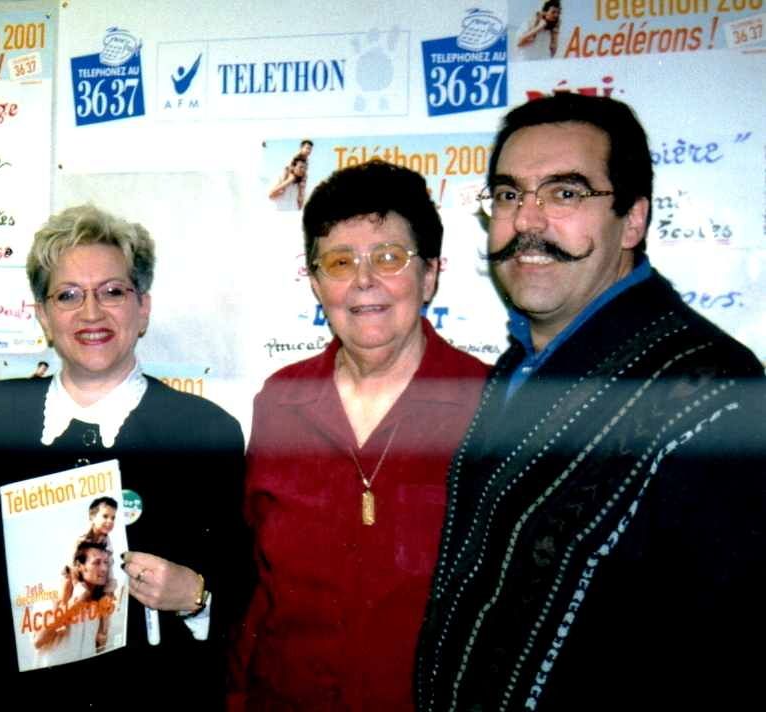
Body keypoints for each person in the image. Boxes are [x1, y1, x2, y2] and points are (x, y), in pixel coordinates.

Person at [413, 94, 766, 711]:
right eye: (509, 194)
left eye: (565, 193)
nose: (527, 220)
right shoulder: (517, 371)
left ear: (633, 220)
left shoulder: (715, 392)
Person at [0, 204, 249, 708]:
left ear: (143, 309)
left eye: (113, 292)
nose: (91, 313)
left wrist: (196, 597)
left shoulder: (206, 433)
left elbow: (246, 598)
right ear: (43, 316)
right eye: (68, 295)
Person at [233, 162, 489, 709]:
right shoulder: (280, 402)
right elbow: (253, 584)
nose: (364, 280)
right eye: (340, 262)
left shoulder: (490, 406)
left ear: (430, 275)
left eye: (389, 258)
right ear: (316, 281)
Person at [34, 542, 118, 666]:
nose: (104, 568)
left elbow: (100, 646)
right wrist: (75, 602)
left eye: (106, 563)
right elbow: (38, 640)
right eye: (96, 562)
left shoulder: (101, 603)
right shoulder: (53, 594)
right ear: (79, 566)